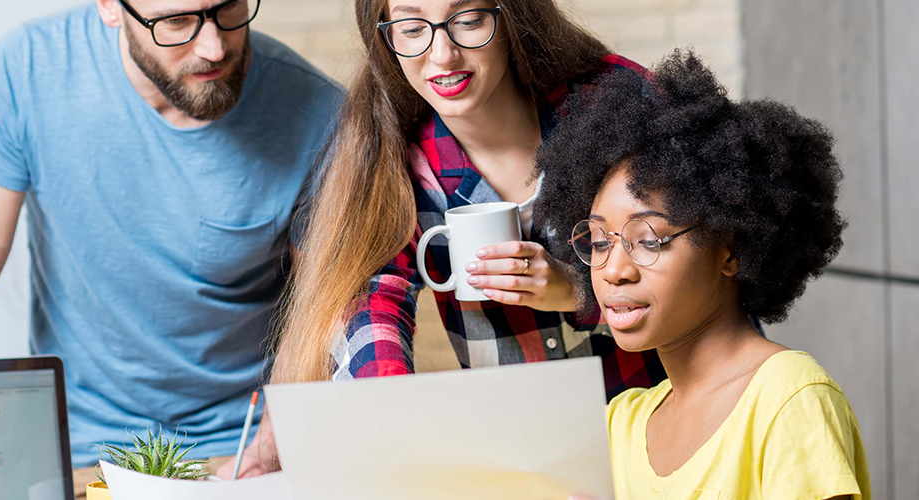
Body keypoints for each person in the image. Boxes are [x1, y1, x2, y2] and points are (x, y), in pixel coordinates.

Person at [0, 0, 343, 491]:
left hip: (236, 452)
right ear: (111, 7)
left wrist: (276, 441)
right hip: (73, 448)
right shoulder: (29, 68)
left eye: (230, 7)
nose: (214, 46)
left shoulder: (319, 114)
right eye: (176, 21)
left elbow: (320, 314)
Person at [244, 0, 665, 476]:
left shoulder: (614, 101)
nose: (442, 55)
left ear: (512, 17)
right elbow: (369, 301)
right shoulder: (398, 163)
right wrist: (393, 407)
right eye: (410, 27)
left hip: (670, 420)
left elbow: (707, 258)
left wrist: (579, 292)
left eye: (467, 21)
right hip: (538, 458)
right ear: (386, 37)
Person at [537, 51, 870, 499]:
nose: (613, 270)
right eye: (599, 242)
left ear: (729, 249)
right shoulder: (622, 425)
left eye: (650, 239)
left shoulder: (786, 396)